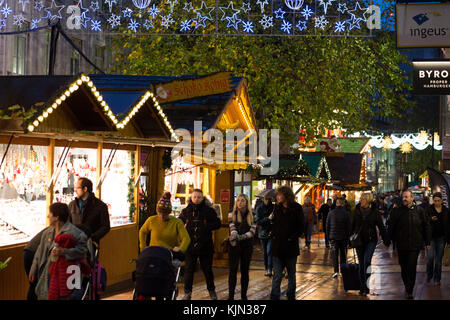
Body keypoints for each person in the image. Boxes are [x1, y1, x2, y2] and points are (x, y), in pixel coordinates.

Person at [29, 203, 88, 300]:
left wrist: (64, 252)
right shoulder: (47, 233)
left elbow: (82, 252)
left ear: (57, 217)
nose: (48, 216)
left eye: (50, 214)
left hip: (68, 277)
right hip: (48, 275)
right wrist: (33, 269)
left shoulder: (76, 234)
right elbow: (40, 252)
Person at [178, 189, 221, 300]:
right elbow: (178, 224)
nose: (196, 199)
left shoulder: (209, 211)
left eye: (199, 197)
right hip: (190, 246)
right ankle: (187, 293)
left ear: (203, 198)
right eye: (194, 197)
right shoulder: (186, 211)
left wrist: (206, 226)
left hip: (205, 246)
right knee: (189, 270)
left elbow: (217, 223)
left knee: (207, 270)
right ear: (191, 198)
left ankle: (212, 291)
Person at [388, 190, 431, 299]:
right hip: (401, 245)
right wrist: (388, 241)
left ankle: (409, 289)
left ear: (412, 198)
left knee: (412, 267)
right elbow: (391, 227)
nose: (404, 199)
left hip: (415, 245)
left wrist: (427, 242)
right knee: (404, 267)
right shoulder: (397, 211)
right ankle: (407, 285)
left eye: (406, 197)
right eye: (403, 197)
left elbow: (426, 226)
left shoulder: (420, 211)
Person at [350, 193, 390, 296]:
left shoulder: (374, 212)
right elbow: (352, 226)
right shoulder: (356, 211)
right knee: (361, 263)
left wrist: (386, 241)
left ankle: (367, 286)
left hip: (371, 240)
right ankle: (362, 287)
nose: (361, 200)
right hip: (359, 240)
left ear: (368, 200)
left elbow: (381, 227)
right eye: (361, 198)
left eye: (363, 199)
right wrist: (349, 241)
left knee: (367, 261)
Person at [269, 186, 304, 300]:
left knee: (291, 274)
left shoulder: (297, 208)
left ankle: (291, 295)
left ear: (286, 195)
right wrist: (272, 232)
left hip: (290, 247)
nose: (277, 197)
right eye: (277, 195)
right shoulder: (277, 207)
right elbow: (274, 224)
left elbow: (301, 227)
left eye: (279, 195)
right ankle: (274, 297)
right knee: (277, 275)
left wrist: (292, 237)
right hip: (277, 247)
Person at [227, 194, 257, 300]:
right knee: (233, 270)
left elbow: (253, 231)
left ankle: (243, 296)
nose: (240, 202)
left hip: (247, 245)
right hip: (234, 245)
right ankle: (231, 296)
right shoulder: (232, 212)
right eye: (238, 200)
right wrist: (235, 235)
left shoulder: (253, 214)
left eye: (242, 200)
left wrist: (243, 237)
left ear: (246, 202)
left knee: (245, 271)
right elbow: (232, 227)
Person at [68, 177, 110, 245]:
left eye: (77, 188)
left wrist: (92, 237)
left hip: (91, 246)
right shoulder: (72, 205)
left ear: (85, 189)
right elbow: (68, 223)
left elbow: (105, 227)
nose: (75, 191)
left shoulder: (100, 206)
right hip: (73, 245)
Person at [425, 192, 450, 286]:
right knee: (430, 258)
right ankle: (429, 274)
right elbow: (424, 221)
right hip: (430, 238)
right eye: (435, 201)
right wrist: (430, 219)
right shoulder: (428, 209)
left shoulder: (446, 211)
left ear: (441, 201)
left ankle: (437, 279)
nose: (436, 202)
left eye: (438, 201)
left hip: (441, 238)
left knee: (438, 260)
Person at [23, 226, 50, 300]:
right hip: (33, 254)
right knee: (36, 286)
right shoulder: (55, 230)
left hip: (29, 252)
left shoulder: (54, 228)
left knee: (34, 286)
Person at [327, 198, 351, 278]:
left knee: (335, 255)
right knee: (343, 255)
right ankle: (343, 271)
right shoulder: (346, 213)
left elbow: (327, 226)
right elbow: (348, 227)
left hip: (333, 237)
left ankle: (336, 271)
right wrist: (349, 239)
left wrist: (328, 237)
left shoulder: (331, 213)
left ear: (336, 203)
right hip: (343, 237)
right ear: (343, 204)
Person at [255, 195, 275, 277]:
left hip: (271, 232)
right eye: (266, 198)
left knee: (269, 251)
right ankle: (266, 268)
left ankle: (270, 269)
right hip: (262, 233)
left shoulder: (274, 207)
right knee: (264, 253)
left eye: (269, 198)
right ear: (263, 199)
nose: (267, 200)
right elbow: (258, 221)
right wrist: (268, 218)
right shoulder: (259, 208)